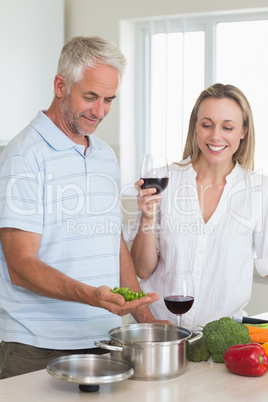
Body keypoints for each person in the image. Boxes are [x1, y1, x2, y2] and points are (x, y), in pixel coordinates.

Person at [0, 36, 164, 379]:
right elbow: (21, 264)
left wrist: (146, 321)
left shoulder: (105, 154)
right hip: (37, 348)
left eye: (108, 100)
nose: (100, 111)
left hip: (104, 342)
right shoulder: (23, 156)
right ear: (61, 85)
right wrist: (92, 296)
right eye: (90, 97)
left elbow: (111, 238)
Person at [130, 83, 268, 330]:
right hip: (163, 335)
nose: (216, 136)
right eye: (207, 125)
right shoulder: (162, 180)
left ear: (244, 131)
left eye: (227, 127)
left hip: (224, 343)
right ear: (195, 126)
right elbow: (141, 269)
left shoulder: (259, 191)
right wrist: (147, 217)